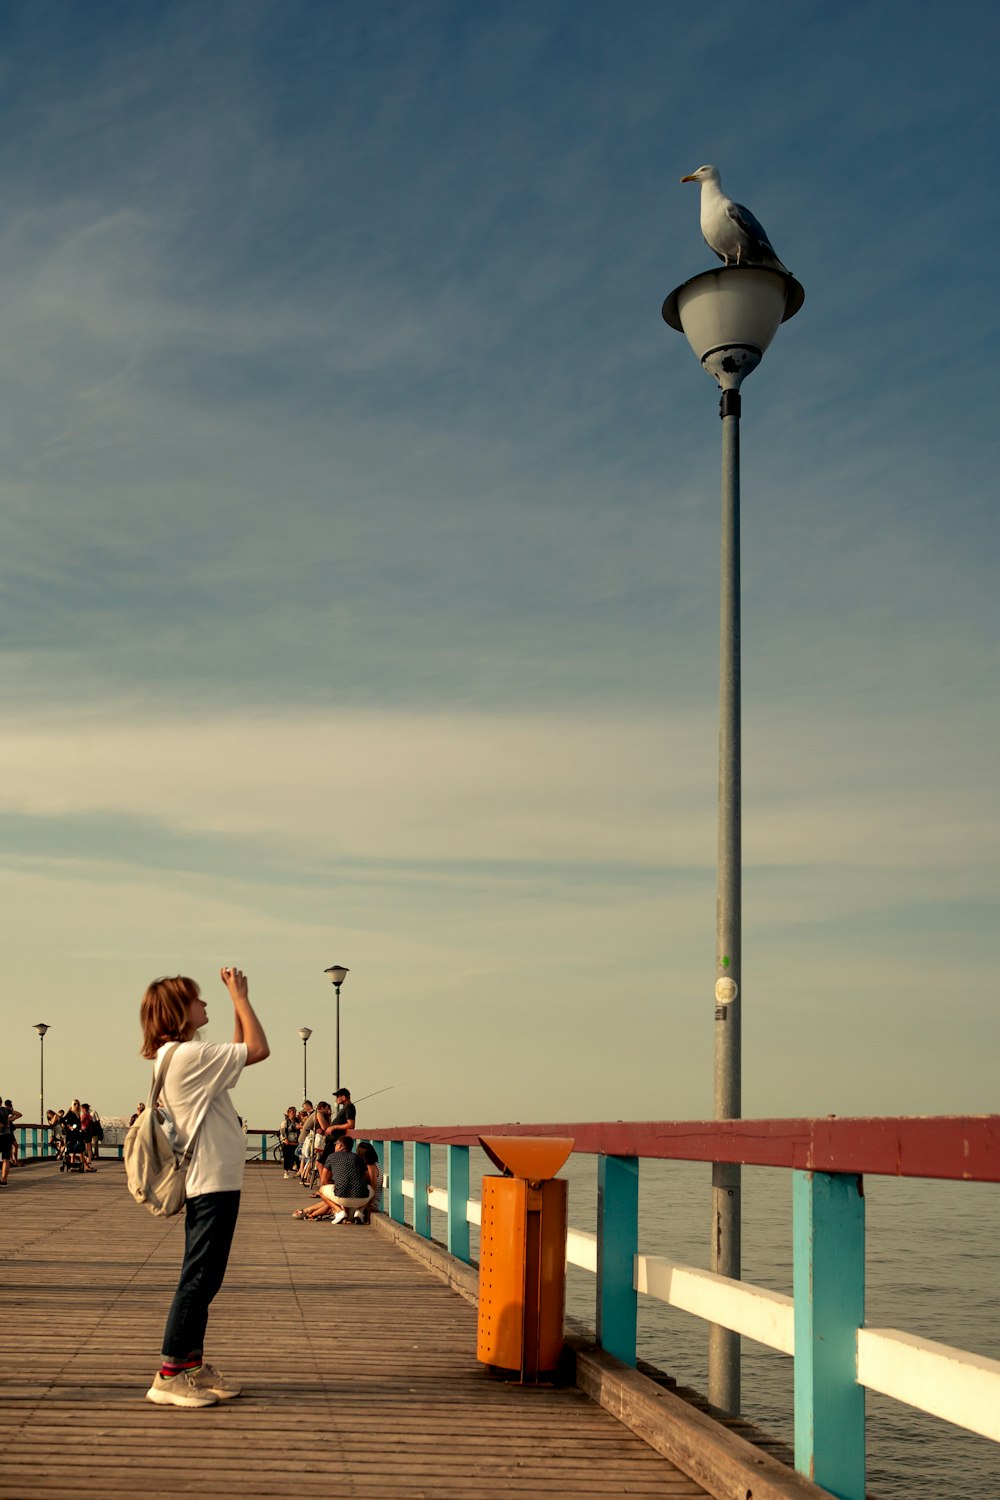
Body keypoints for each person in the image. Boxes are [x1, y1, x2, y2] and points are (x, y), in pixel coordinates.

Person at [140, 966, 269, 1409]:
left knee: (206, 1277)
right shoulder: (188, 1057)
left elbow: (238, 1055)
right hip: (210, 1180)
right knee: (198, 1277)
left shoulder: (182, 1056)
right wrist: (240, 997)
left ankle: (191, 1365)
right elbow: (258, 1048)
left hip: (214, 1178)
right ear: (180, 1011)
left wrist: (235, 1003)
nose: (205, 1004)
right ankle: (168, 1373)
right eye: (198, 999)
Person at [278, 1106, 300, 1179]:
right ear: (289, 1113)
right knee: (286, 1157)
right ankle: (286, 1171)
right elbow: (283, 1132)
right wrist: (285, 1139)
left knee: (296, 1156)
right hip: (288, 1142)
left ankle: (297, 1170)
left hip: (295, 1141)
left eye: (294, 1112)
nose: (294, 1114)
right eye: (292, 1112)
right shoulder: (285, 1122)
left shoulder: (298, 1121)